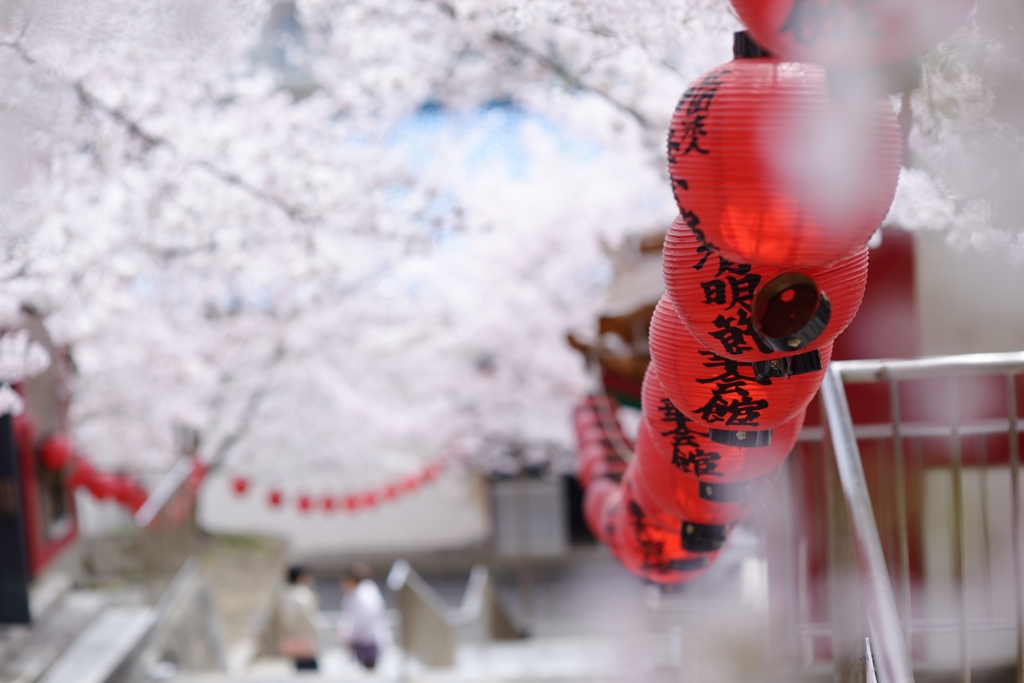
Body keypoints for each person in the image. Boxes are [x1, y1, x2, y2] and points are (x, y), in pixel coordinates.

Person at [273, 565, 324, 672]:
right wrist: (319, 634)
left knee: (300, 669)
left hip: (291, 638)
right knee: (310, 672)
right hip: (305, 638)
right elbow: (310, 619)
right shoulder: (303, 594)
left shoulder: (283, 594)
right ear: (301, 577)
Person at [338, 562, 388, 670]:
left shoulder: (363, 594)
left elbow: (364, 616)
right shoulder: (361, 591)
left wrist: (350, 633)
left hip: (366, 638)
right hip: (362, 637)